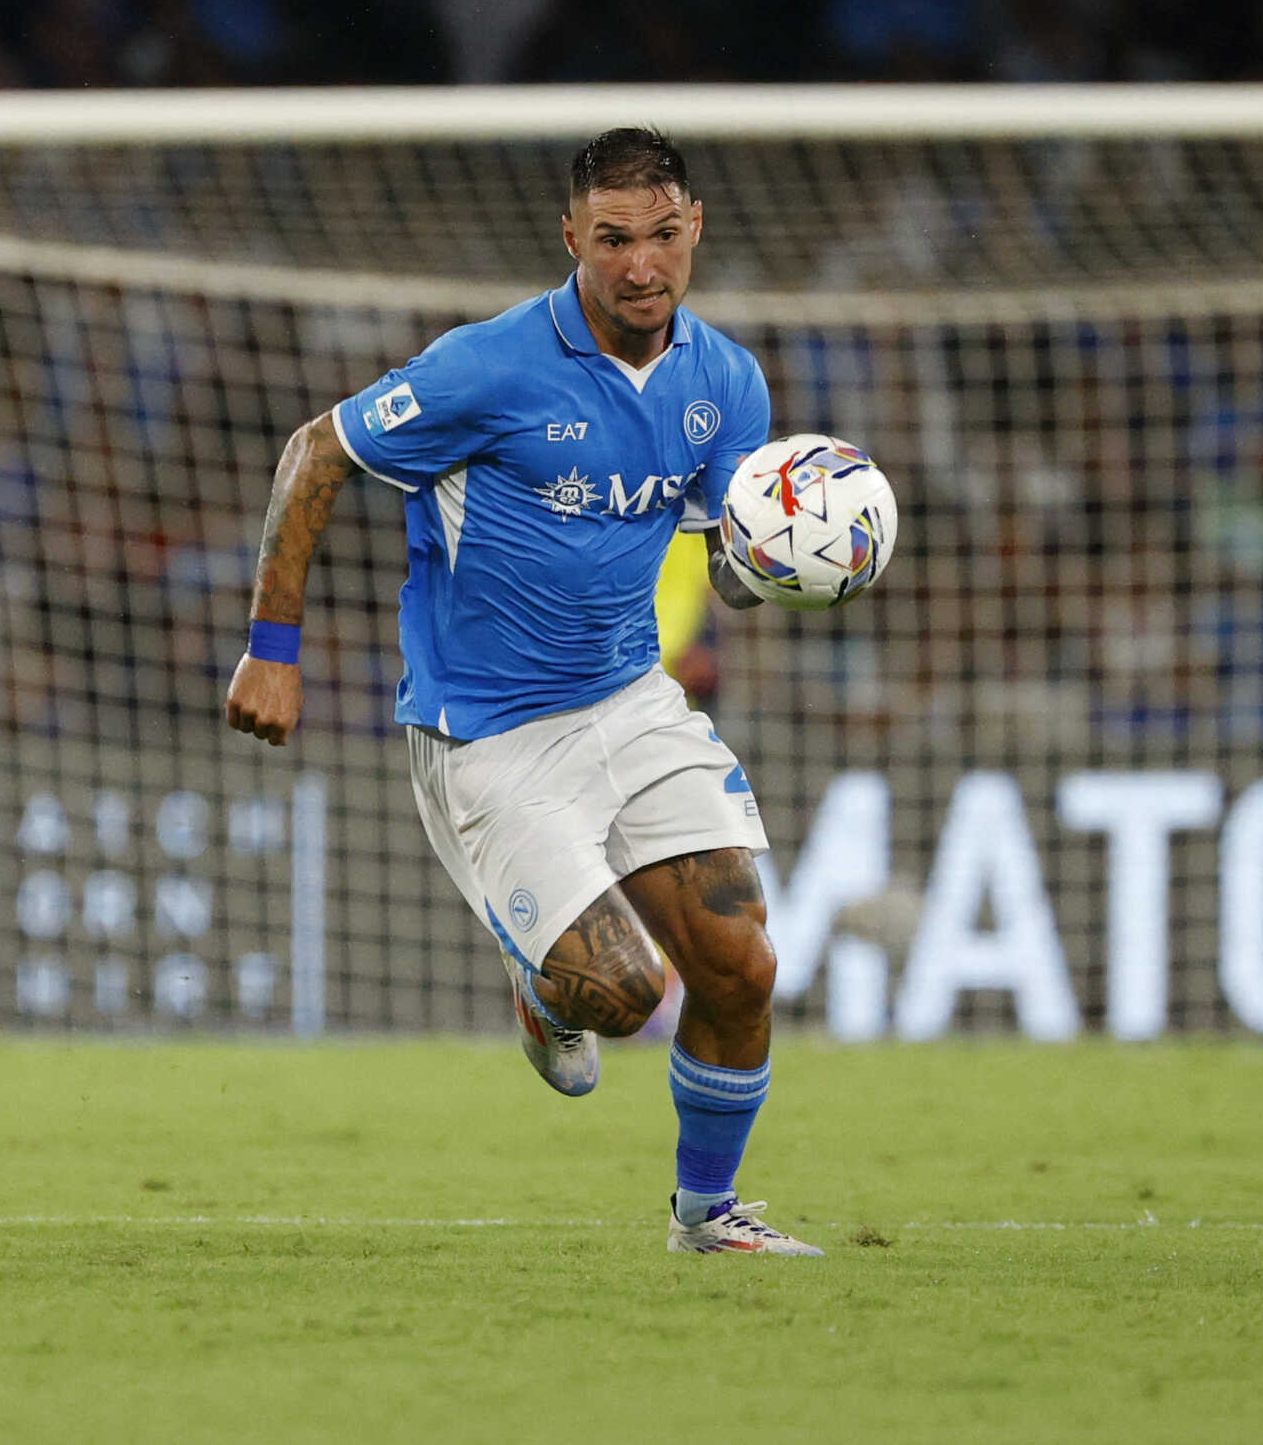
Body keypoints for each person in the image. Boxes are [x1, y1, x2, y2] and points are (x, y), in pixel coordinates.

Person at [225, 127, 819, 1255]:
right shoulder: (488, 365)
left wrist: (795, 560)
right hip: (489, 731)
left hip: (629, 699)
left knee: (741, 962)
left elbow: (730, 573)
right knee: (623, 994)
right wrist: (273, 645)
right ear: (570, 238)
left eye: (659, 235)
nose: (640, 265)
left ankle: (707, 1216)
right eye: (612, 240)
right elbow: (316, 451)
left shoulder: (724, 381)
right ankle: (545, 990)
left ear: (692, 226)